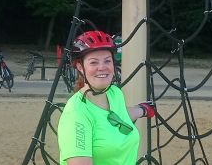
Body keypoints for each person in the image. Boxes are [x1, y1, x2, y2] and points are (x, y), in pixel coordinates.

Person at [57, 30, 155, 164]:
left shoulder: (114, 93)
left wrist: (142, 109)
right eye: (94, 62)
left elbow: (119, 116)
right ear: (80, 67)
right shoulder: (76, 114)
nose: (102, 67)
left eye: (107, 61)